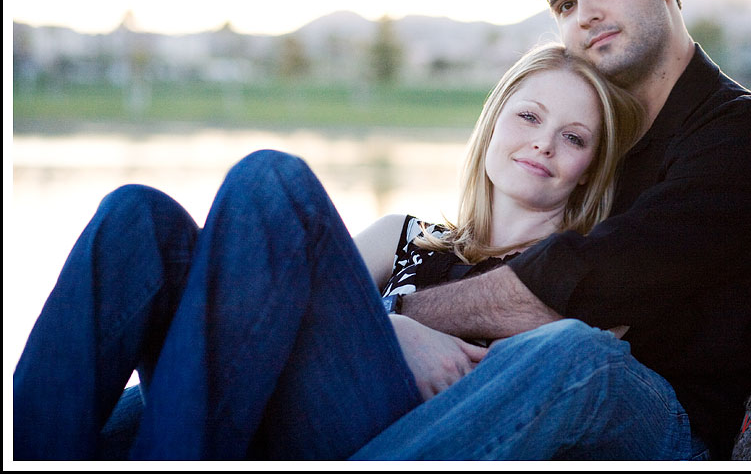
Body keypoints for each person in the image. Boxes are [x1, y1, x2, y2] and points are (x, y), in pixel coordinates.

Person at [13, 42, 645, 460]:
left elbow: (536, 390)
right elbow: (271, 305)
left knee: (272, 182)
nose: (543, 143)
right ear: (494, 123)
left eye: (573, 137)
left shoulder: (576, 270)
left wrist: (395, 328)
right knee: (137, 215)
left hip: (397, 430)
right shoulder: (404, 234)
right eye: (529, 117)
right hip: (277, 404)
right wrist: (394, 326)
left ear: (590, 170)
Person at [348, 0, 751, 460]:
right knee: (278, 186)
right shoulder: (604, 137)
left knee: (575, 350)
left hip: (659, 423)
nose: (585, 14)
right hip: (528, 401)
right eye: (565, 4)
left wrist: (394, 316)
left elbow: (591, 282)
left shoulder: (740, 136)